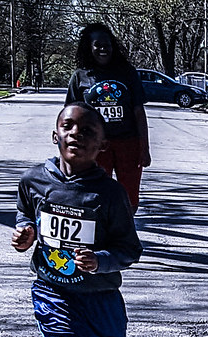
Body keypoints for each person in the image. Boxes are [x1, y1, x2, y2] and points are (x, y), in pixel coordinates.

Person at [12, 103, 143, 337]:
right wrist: (25, 234)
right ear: (56, 135)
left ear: (102, 145)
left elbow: (129, 249)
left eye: (88, 131)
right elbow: (25, 212)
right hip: (53, 294)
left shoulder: (110, 194)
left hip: (100, 299)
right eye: (68, 126)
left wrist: (100, 260)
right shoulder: (35, 180)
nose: (76, 134)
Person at [66, 23, 150, 213]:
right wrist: (69, 148)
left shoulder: (127, 73)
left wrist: (144, 148)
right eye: (98, 45)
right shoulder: (80, 77)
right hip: (94, 146)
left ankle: (124, 234)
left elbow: (138, 112)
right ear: (89, 47)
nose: (103, 49)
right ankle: (100, 236)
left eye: (107, 45)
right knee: (95, 195)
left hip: (128, 143)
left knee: (129, 198)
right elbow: (70, 116)